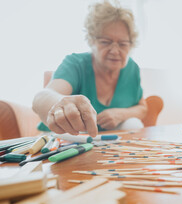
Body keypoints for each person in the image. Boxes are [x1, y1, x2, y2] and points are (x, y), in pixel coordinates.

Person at [32, 0, 147, 137]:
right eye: (106, 42)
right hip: (67, 136)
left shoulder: (132, 68)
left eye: (122, 44)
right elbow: (41, 97)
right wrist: (61, 105)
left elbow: (143, 107)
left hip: (107, 139)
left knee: (133, 123)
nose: (115, 51)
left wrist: (120, 114)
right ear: (92, 41)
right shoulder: (75, 63)